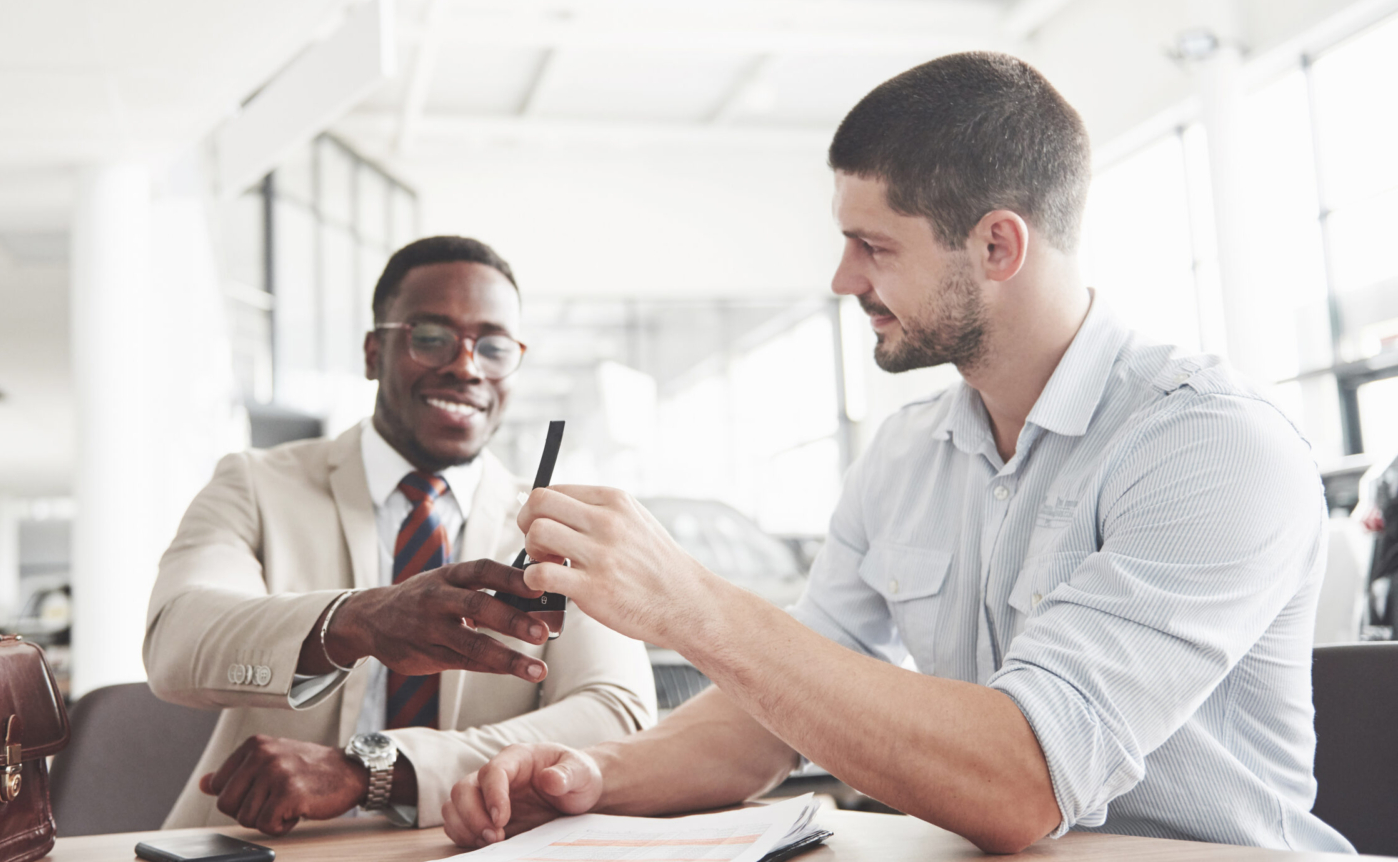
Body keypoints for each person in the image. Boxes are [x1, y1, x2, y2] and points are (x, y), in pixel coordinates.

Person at [441, 53, 1354, 854]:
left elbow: (1024, 783)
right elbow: (771, 720)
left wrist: (691, 605)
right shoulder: (909, 454)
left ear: (998, 244)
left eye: (872, 246)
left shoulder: (1211, 446)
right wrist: (597, 774)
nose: (844, 280)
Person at [145, 236, 655, 837]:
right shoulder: (255, 484)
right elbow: (175, 639)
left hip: (463, 847)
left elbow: (618, 714)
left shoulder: (557, 523)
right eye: (432, 338)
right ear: (372, 352)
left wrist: (378, 770)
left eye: (493, 346)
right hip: (261, 846)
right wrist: (356, 620)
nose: (466, 367)